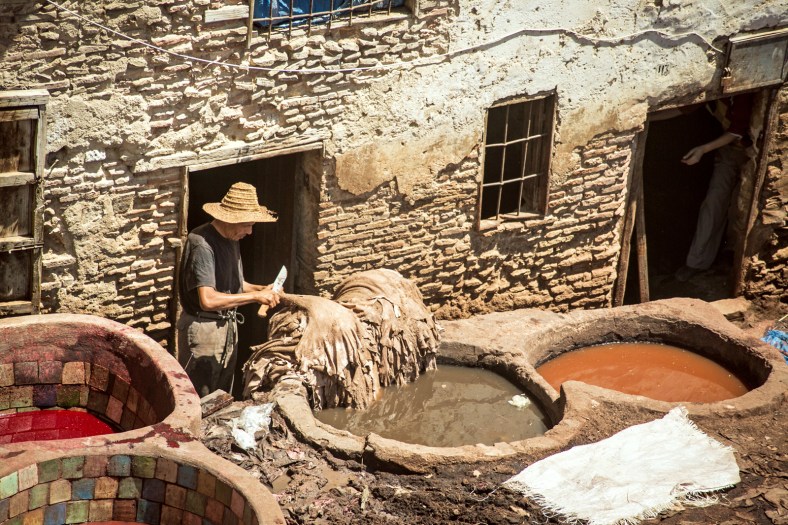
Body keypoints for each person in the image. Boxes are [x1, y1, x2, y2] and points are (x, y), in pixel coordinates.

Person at [177, 182, 281, 397]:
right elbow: (208, 299)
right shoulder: (202, 244)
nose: (250, 232)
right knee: (201, 396)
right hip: (204, 328)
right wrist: (255, 297)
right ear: (229, 219)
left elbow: (235, 285)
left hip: (227, 326)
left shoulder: (232, 238)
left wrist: (262, 289)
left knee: (222, 395)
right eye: (246, 225)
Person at [654, 93, 755, 282]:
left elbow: (737, 130)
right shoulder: (712, 90)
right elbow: (685, 108)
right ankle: (697, 262)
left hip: (747, 150)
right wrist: (645, 118)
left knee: (738, 208)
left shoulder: (740, 94)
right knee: (714, 202)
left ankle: (729, 259)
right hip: (728, 150)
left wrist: (703, 149)